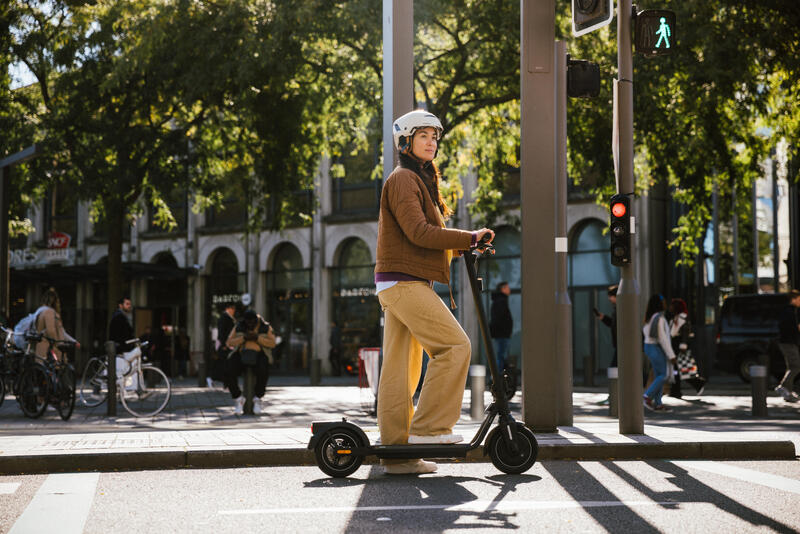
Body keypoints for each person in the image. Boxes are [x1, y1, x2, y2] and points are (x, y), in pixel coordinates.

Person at [374, 109, 494, 474]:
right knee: (455, 346)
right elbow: (419, 232)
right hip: (404, 283)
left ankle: (399, 457)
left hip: (399, 281)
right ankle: (429, 429)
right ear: (406, 141)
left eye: (435, 137)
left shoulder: (417, 179)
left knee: (400, 372)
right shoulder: (403, 179)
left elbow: (421, 237)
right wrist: (469, 237)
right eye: (424, 135)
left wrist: (461, 247)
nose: (432, 142)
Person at [225, 309, 277, 415]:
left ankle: (257, 398)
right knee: (228, 370)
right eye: (247, 322)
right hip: (241, 354)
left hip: (259, 354)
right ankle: (238, 398)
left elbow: (272, 343)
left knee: (263, 371)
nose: (250, 324)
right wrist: (243, 338)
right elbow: (229, 342)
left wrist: (257, 338)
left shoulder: (265, 326)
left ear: (256, 320)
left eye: (252, 322)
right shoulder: (239, 326)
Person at [642, 293, 676, 412]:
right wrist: (671, 355)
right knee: (664, 375)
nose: (665, 304)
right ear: (659, 304)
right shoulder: (659, 318)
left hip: (649, 347)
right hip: (656, 347)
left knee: (659, 375)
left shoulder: (650, 317)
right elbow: (663, 338)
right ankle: (646, 397)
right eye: (663, 301)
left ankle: (658, 403)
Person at [668, 298, 706, 398]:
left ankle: (695, 384)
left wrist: (683, 345)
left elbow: (683, 332)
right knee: (679, 369)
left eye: (672, 305)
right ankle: (676, 390)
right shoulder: (677, 318)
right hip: (677, 345)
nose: (670, 307)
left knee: (680, 368)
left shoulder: (681, 318)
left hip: (679, 346)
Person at [33, 287, 79, 361]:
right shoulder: (50, 313)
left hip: (40, 348)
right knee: (56, 369)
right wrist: (58, 344)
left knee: (40, 368)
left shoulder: (39, 311)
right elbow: (55, 332)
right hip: (51, 350)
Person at [593, 285, 618, 405]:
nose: (609, 299)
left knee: (614, 369)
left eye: (611, 297)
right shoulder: (617, 308)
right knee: (616, 369)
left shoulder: (621, 307)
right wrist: (603, 318)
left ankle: (614, 396)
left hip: (621, 345)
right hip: (619, 345)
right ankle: (614, 395)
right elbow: (613, 324)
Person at [775, 289, 800, 402]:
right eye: (799, 299)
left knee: (792, 367)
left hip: (788, 342)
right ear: (793, 299)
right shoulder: (789, 312)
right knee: (796, 366)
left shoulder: (790, 311)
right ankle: (783, 387)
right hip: (788, 342)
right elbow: (788, 327)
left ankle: (787, 392)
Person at [210, 303, 236, 388]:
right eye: (233, 309)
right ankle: (217, 380)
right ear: (228, 309)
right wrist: (224, 344)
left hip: (227, 344)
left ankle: (224, 382)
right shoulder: (224, 318)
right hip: (225, 345)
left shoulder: (228, 318)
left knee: (225, 364)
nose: (234, 311)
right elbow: (222, 332)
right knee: (224, 364)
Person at [489, 281, 513, 374]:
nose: (509, 289)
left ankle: (498, 377)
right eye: (507, 287)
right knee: (501, 356)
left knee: (501, 356)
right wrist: (505, 330)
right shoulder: (501, 301)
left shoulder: (500, 300)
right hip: (502, 334)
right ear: (502, 289)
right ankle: (498, 378)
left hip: (501, 334)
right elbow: (499, 319)